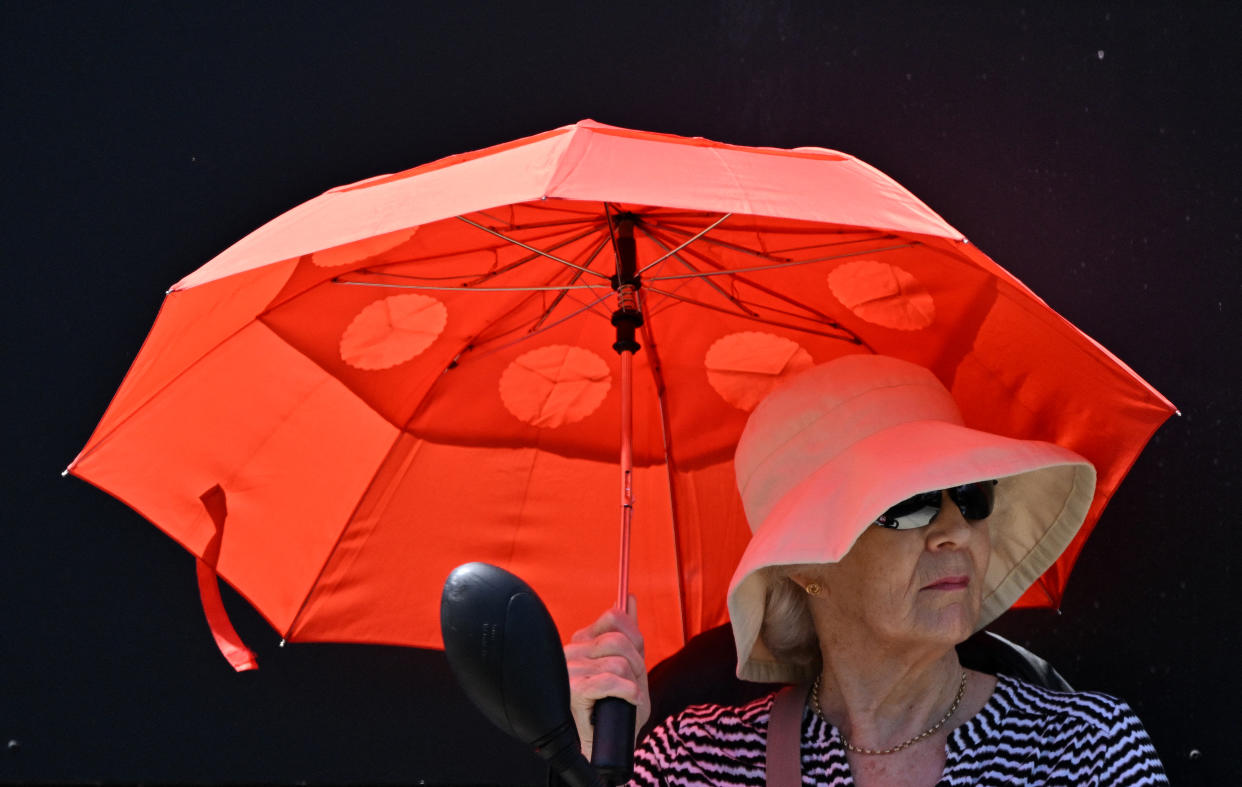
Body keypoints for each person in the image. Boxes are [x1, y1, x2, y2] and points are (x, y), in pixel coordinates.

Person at [565, 354, 1167, 786]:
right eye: (909, 505)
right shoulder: (693, 761)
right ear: (805, 565)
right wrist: (593, 762)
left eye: (973, 495)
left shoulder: (1085, 748)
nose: (955, 529)